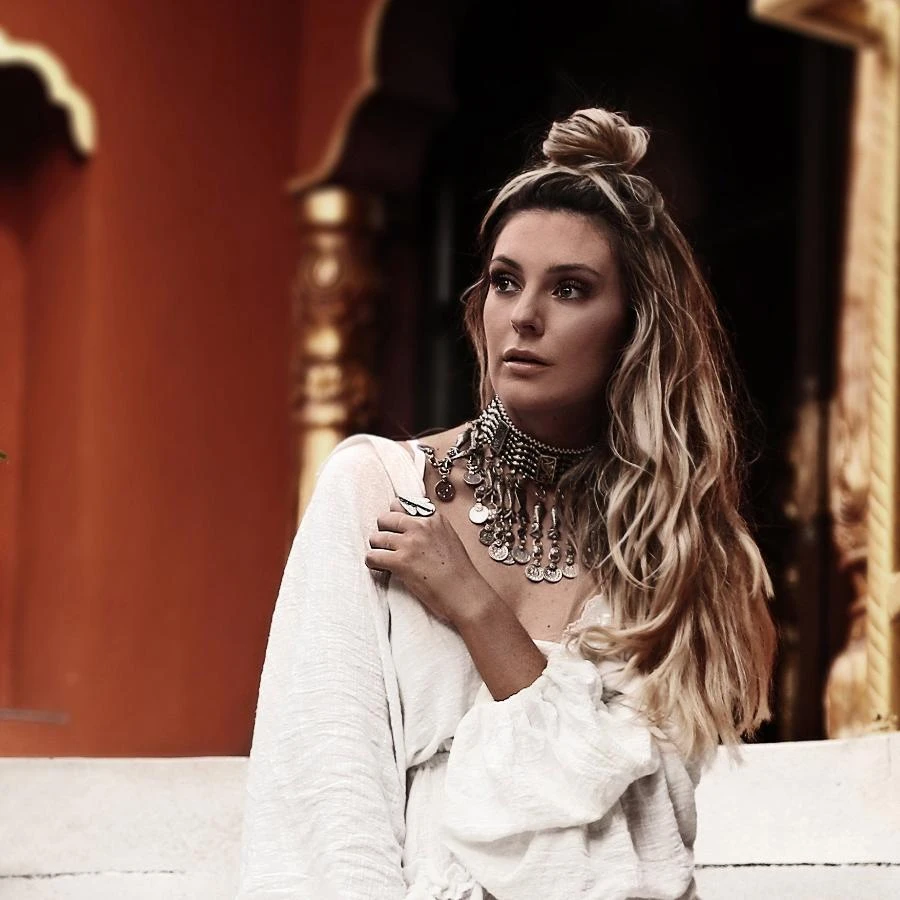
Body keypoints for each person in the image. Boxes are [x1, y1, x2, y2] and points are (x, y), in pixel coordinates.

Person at [236, 107, 777, 900]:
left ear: (634, 329)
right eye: (504, 280)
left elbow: (633, 841)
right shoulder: (375, 490)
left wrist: (476, 608)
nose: (523, 315)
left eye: (571, 289)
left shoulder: (666, 551)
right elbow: (322, 797)